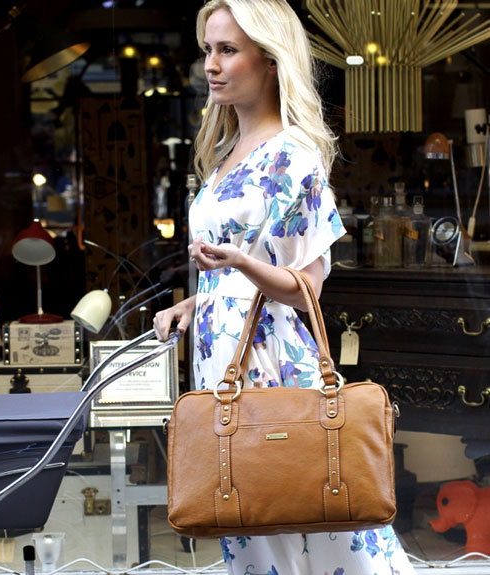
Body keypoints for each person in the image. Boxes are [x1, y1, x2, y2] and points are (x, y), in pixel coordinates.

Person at [154, 0, 418, 573]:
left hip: (266, 361)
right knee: (249, 515)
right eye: (208, 50)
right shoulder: (226, 155)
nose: (211, 65)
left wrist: (237, 266)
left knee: (298, 508)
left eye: (228, 50)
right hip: (223, 353)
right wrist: (197, 301)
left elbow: (306, 288)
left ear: (270, 61)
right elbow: (241, 275)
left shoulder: (291, 155)